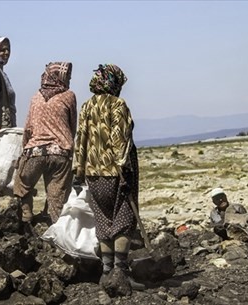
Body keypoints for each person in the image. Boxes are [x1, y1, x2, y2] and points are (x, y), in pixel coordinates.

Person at [73, 64, 143, 290]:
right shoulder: (117, 105)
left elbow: (80, 139)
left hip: (93, 174)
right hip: (116, 173)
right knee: (123, 220)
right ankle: (121, 272)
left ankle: (106, 272)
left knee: (103, 220)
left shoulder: (87, 106)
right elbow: (119, 139)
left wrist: (79, 170)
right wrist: (124, 170)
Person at [13, 62, 77, 234]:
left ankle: (26, 217)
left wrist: (24, 150)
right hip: (60, 154)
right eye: (67, 77)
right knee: (57, 197)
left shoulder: (35, 97)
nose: (69, 80)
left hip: (35, 152)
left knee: (22, 184)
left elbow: (27, 128)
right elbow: (72, 126)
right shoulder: (69, 96)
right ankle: (61, 233)